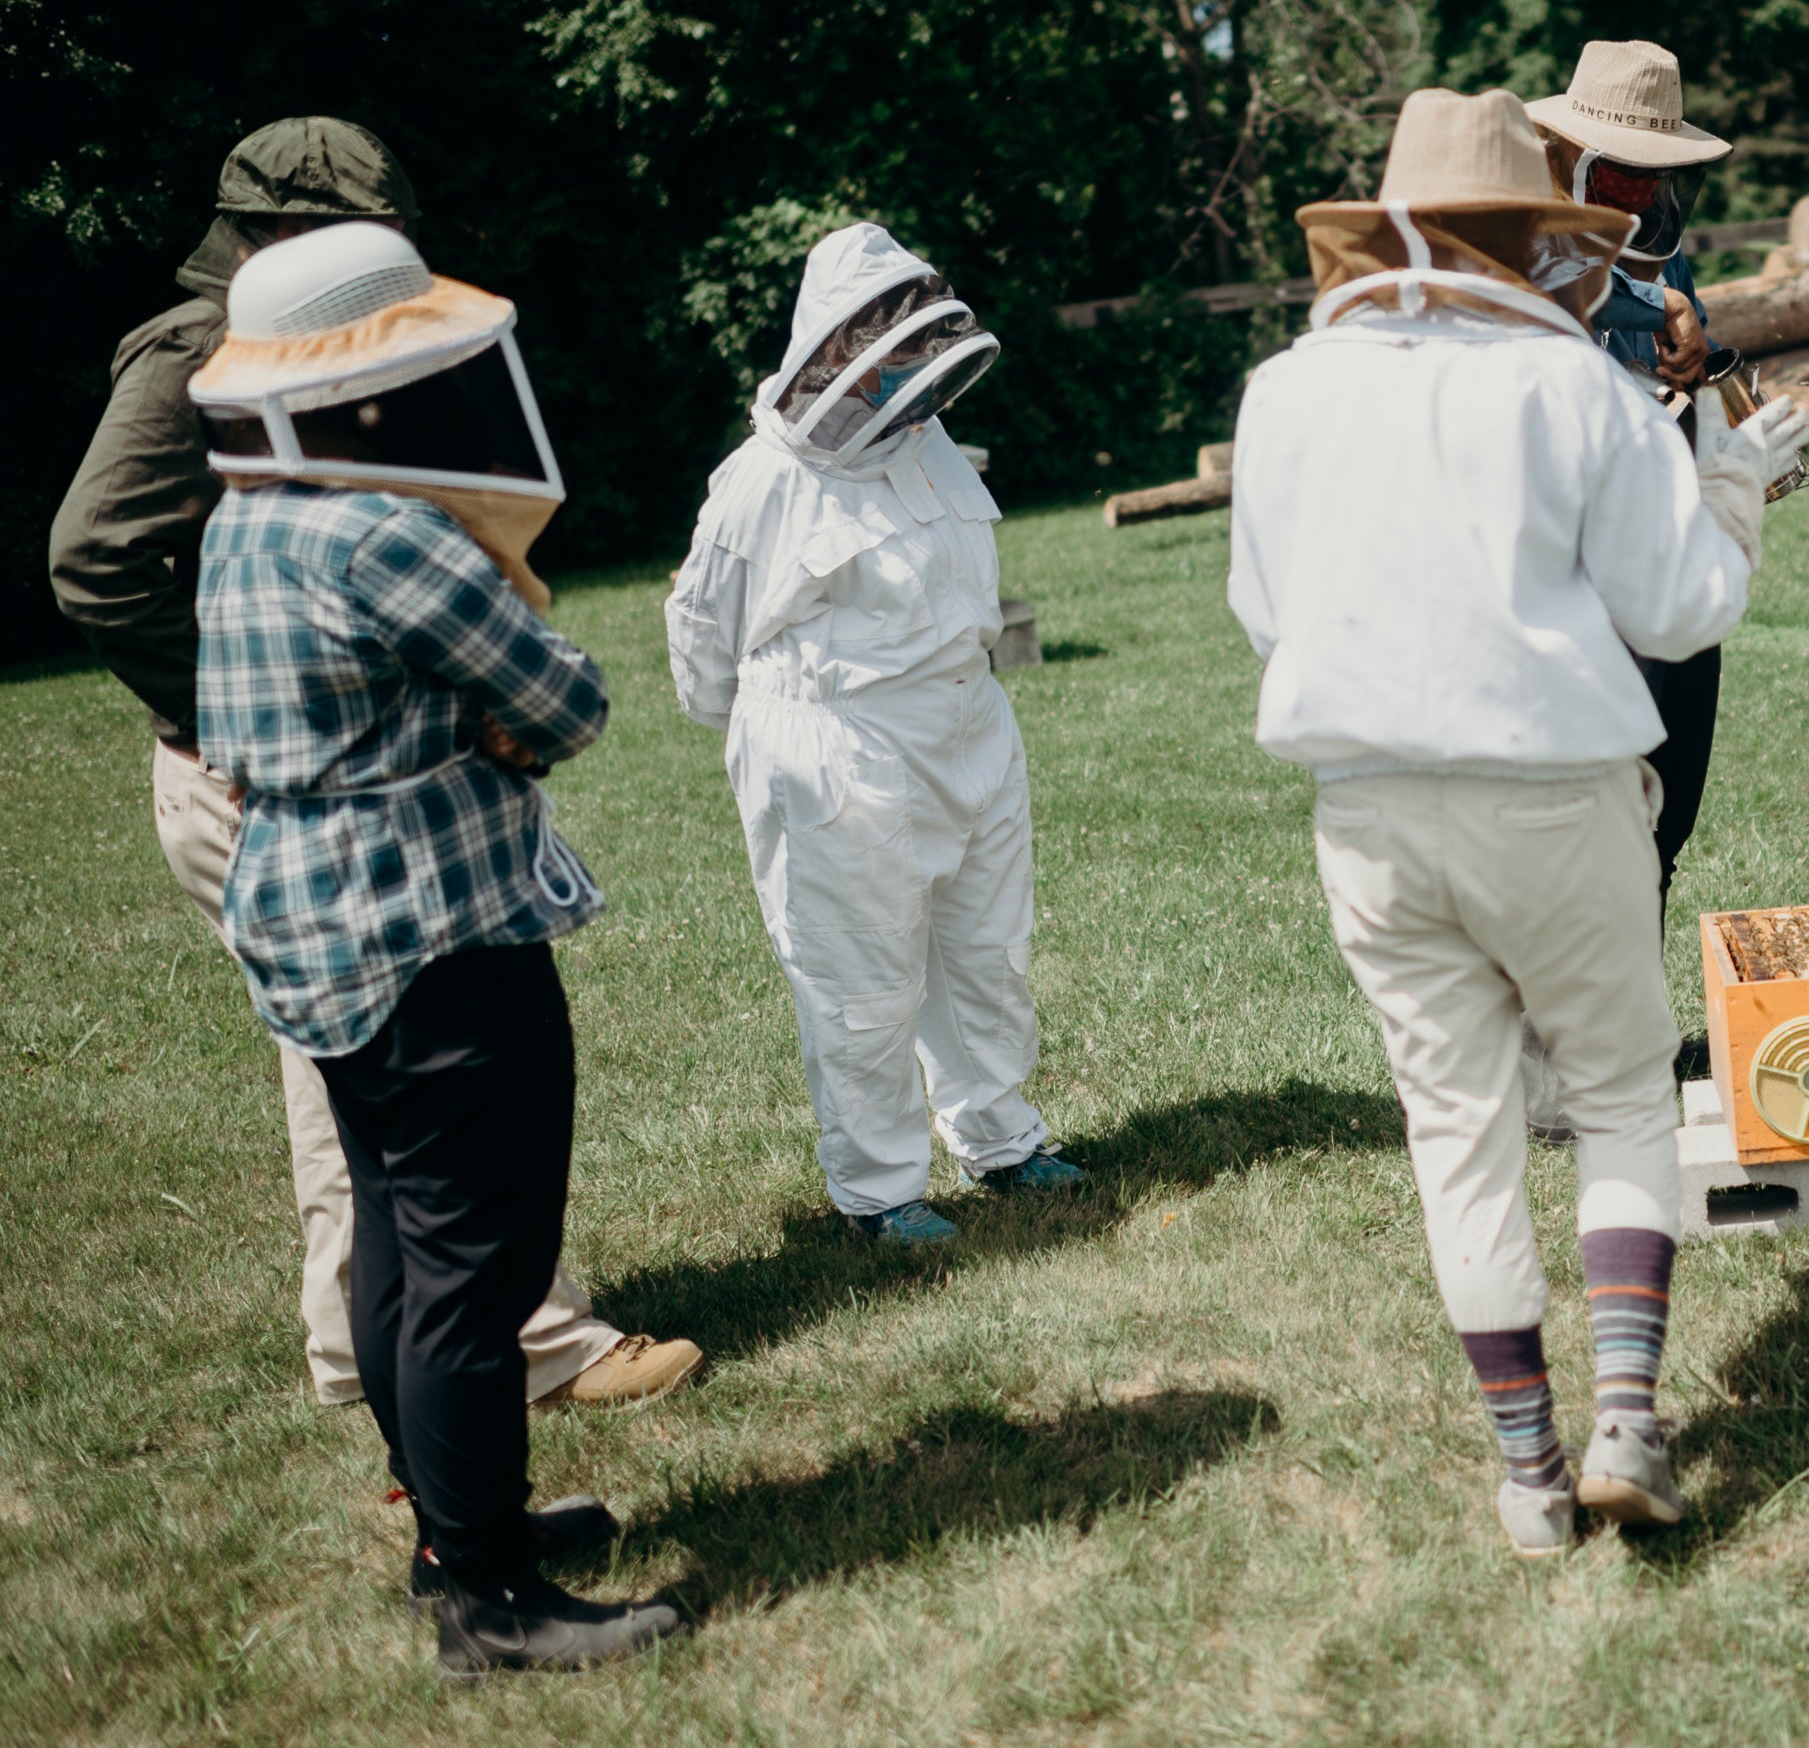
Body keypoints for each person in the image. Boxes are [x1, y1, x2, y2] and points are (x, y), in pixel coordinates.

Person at [1226, 88, 1803, 1555]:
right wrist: (1735, 483)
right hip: (1552, 794)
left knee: (1455, 1128)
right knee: (1618, 1092)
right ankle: (1627, 1421)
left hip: (1365, 815)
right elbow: (1680, 608)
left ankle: (1529, 1473)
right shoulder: (1571, 389)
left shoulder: (1286, 391)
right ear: (1533, 235)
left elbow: (1263, 612)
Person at [44, 117, 697, 1413]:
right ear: (292, 235)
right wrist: (244, 725)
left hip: (289, 772)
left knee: (347, 1083)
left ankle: (375, 1353)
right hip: (272, 780)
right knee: (413, 1085)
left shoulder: (247, 345)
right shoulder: (201, 353)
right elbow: (92, 558)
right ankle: (531, 1348)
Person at [187, 220, 683, 1672]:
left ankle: (454, 1539)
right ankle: (494, 1607)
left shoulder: (245, 517)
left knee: (399, 1238)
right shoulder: (383, 530)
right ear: (364, 392)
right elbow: (565, 697)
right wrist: (490, 729)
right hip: (432, 926)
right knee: (477, 1261)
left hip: (314, 922)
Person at [667, 222, 1080, 1249]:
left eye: (916, 341)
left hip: (969, 725)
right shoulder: (763, 480)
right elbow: (702, 630)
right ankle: (880, 1190)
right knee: (861, 978)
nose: (907, 366)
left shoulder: (929, 445)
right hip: (837, 751)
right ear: (834, 346)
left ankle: (1002, 1140)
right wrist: (771, 736)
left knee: (987, 953)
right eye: (887, 342)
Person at [1526, 40, 1734, 915]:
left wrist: (1693, 353)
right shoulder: (1513, 223)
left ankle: (1636, 1002)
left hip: (1664, 533)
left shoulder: (1655, 238)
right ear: (1571, 155)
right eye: (1624, 175)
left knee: (1665, 800)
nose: (1643, 195)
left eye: (1657, 177)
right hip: (1568, 555)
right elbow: (1545, 287)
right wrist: (1659, 306)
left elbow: (1683, 317)